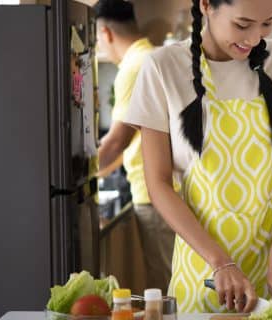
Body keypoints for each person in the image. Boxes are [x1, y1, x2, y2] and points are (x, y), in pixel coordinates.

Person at [124, 0, 272, 315]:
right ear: (206, 5)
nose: (255, 38)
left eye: (268, 23)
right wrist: (221, 262)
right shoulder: (162, 67)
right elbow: (158, 183)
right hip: (205, 268)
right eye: (242, 25)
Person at [94, 0, 175, 293]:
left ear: (106, 33)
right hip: (168, 190)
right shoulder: (153, 56)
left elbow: (117, 141)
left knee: (165, 286)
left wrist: (74, 184)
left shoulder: (134, 66)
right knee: (171, 280)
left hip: (155, 194)